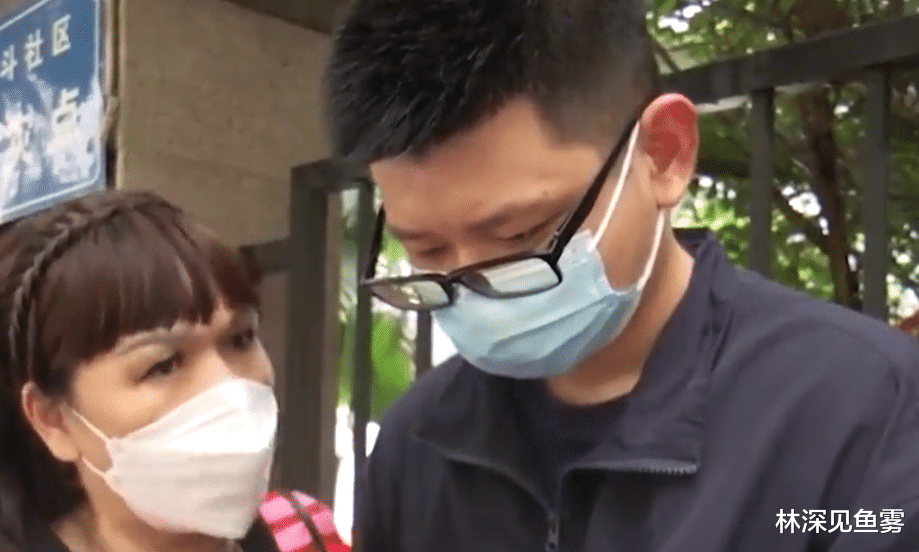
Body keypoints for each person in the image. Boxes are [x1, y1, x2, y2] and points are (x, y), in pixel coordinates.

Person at [323, 1, 919, 551]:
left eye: (520, 235)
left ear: (663, 153)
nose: (476, 285)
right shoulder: (418, 444)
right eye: (427, 249)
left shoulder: (864, 414)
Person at [0, 190, 350, 552]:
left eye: (241, 339)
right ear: (53, 420)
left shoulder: (303, 534)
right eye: (162, 365)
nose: (228, 386)